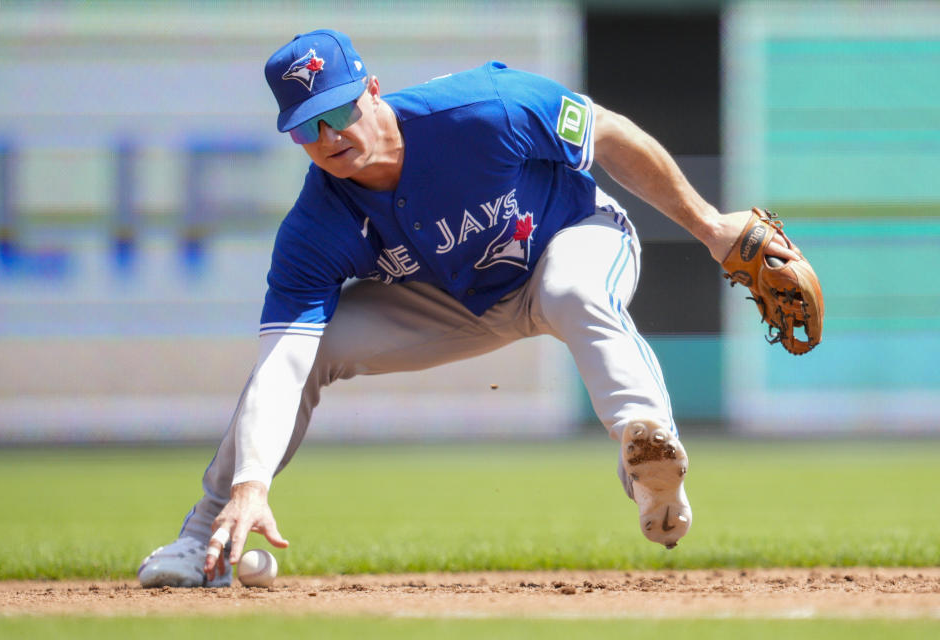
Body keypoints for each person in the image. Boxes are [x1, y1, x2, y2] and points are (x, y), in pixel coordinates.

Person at [137, 29, 799, 587]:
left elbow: (610, 133)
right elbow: (282, 363)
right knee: (318, 347)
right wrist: (252, 477)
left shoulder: (485, 109)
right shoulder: (315, 226)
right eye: (307, 126)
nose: (329, 134)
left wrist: (710, 224)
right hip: (452, 301)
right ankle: (206, 538)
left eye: (338, 109)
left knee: (573, 292)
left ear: (372, 91)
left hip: (570, 238)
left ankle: (649, 456)